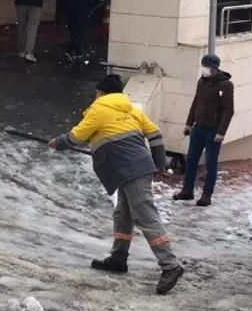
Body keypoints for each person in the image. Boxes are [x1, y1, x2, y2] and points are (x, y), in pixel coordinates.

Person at [50, 74, 185, 295]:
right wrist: (159, 164)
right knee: (123, 213)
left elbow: (77, 136)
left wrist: (58, 143)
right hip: (132, 168)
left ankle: (170, 265)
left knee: (144, 214)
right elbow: (155, 134)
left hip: (129, 169)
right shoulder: (131, 110)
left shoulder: (99, 108)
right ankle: (118, 258)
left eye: (96, 93)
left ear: (101, 93)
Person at [174, 53, 236, 207]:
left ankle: (207, 194)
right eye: (204, 66)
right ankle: (187, 190)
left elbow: (228, 110)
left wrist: (221, 132)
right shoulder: (202, 81)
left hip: (213, 130)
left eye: (207, 67)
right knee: (192, 160)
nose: (205, 70)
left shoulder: (226, 85)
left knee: (211, 163)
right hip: (198, 128)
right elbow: (196, 102)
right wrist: (189, 124)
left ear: (215, 68)